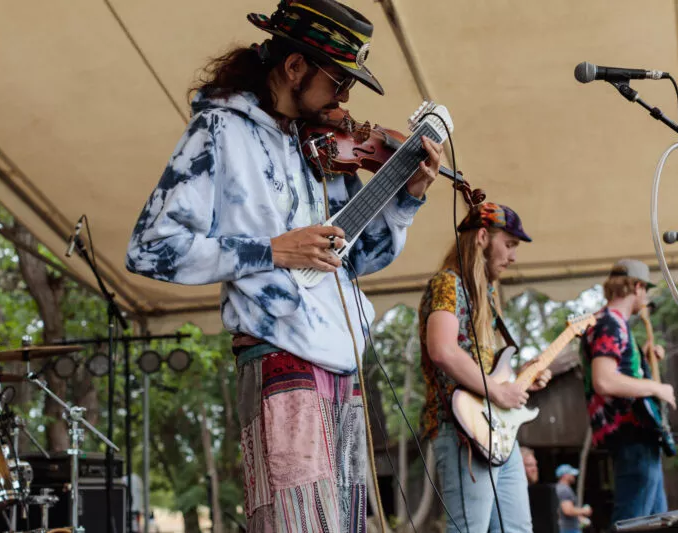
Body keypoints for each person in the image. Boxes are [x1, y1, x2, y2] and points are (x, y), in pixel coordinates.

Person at [125, 0, 443, 530]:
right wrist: (272, 249)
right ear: (294, 67)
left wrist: (405, 199)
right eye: (338, 82)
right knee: (298, 523)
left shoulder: (317, 144)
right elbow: (151, 247)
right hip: (281, 355)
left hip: (340, 360)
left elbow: (358, 260)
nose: (344, 99)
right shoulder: (220, 131)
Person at [418, 202, 552, 533]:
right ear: (482, 237)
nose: (513, 256)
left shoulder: (487, 294)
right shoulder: (448, 284)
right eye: (509, 244)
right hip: (462, 429)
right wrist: (498, 390)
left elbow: (482, 367)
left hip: (495, 431)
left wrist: (520, 380)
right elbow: (443, 349)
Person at [580, 259, 676, 524]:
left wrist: (643, 359)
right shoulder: (610, 322)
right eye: (644, 290)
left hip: (636, 433)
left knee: (657, 522)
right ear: (637, 287)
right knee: (634, 523)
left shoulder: (610, 323)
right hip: (630, 431)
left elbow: (616, 369)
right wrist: (657, 387)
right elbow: (605, 380)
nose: (644, 297)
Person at [555, 464, 592, 533]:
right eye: (571, 474)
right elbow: (568, 510)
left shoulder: (558, 488)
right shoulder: (564, 489)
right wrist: (584, 510)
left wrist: (580, 518)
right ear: (565, 476)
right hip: (569, 529)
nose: (573, 476)